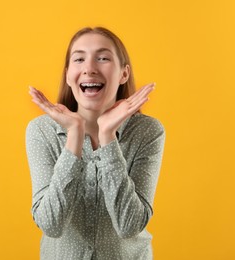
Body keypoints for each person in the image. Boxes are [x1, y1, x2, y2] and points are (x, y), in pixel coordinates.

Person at [26, 26, 165, 260]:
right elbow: (50, 224)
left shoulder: (147, 131)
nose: (89, 69)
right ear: (68, 75)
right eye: (79, 59)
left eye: (102, 58)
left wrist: (108, 136)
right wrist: (74, 136)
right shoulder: (42, 131)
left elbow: (130, 225)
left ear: (124, 74)